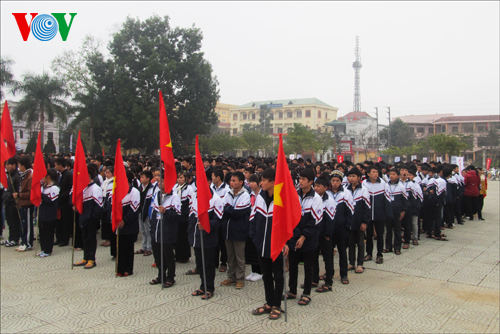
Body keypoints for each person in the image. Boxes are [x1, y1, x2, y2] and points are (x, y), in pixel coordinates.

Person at [249, 168, 287, 320]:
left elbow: (289, 224)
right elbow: (253, 217)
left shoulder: (281, 198)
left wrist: (286, 242)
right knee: (266, 275)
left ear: (273, 182)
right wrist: (254, 237)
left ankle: (277, 304)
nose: (261, 183)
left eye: (264, 180)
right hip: (261, 244)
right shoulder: (260, 197)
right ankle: (269, 303)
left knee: (278, 275)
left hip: (277, 245)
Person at [285, 168, 322, 306]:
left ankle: (306, 293)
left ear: (311, 182)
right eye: (299, 179)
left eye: (303, 179)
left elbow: (315, 221)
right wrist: (294, 236)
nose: (300, 182)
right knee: (293, 265)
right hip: (294, 236)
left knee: (308, 266)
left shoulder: (316, 198)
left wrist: (303, 236)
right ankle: (292, 290)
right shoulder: (295, 194)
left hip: (309, 239)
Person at [188, 189, 224, 300]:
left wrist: (207, 224)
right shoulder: (195, 196)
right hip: (196, 237)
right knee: (200, 264)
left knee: (208, 264)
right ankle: (202, 286)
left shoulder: (216, 199)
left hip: (208, 238)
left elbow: (218, 220)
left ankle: (209, 288)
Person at [220, 171, 251, 290]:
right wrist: (229, 209)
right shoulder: (228, 193)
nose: (231, 183)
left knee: (239, 256)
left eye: (234, 181)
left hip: (239, 229)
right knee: (230, 256)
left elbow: (238, 212)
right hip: (227, 229)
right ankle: (231, 277)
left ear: (241, 182)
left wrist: (229, 209)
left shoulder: (245, 195)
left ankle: (240, 278)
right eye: (231, 180)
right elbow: (223, 208)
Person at [149, 176, 181, 288]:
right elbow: (152, 212)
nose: (159, 183)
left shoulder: (174, 196)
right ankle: (160, 275)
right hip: (156, 231)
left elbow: (177, 215)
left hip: (167, 231)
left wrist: (166, 212)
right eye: (158, 181)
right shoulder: (156, 195)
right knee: (158, 255)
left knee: (168, 255)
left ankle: (170, 277)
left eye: (161, 181)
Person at [73, 166, 104, 268]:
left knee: (91, 239)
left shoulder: (96, 188)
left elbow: (99, 206)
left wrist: (93, 218)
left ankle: (91, 259)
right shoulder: (83, 187)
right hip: (83, 217)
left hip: (91, 218)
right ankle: (85, 257)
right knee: (84, 238)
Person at [362, 166, 393, 264]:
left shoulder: (383, 184)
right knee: (369, 235)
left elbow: (388, 200)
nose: (375, 174)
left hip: (380, 214)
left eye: (377, 172)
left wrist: (388, 214)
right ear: (368, 174)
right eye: (373, 172)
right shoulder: (364, 184)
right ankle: (369, 254)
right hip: (368, 215)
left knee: (380, 235)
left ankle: (379, 254)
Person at [328, 171, 354, 284]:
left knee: (342, 252)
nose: (335, 183)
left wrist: (347, 226)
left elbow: (350, 211)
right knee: (328, 253)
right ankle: (329, 273)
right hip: (329, 229)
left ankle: (344, 274)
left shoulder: (346, 193)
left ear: (341, 181)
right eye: (333, 180)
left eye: (337, 181)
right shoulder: (326, 193)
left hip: (341, 228)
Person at [312, 176, 336, 291]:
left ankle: (328, 282)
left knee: (327, 258)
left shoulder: (329, 200)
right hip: (314, 234)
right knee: (313, 258)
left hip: (324, 235)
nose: (316, 188)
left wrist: (327, 234)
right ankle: (314, 279)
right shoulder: (313, 198)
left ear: (325, 188)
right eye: (315, 186)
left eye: (318, 186)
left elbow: (330, 220)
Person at [115, 170, 141, 277]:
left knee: (128, 248)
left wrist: (124, 220)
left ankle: (128, 269)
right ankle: (119, 268)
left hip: (129, 224)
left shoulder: (134, 192)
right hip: (118, 224)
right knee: (120, 247)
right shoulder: (117, 190)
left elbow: (134, 209)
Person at [346, 168, 370, 274]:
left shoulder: (363, 190)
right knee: (350, 243)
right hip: (350, 221)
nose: (351, 178)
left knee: (360, 243)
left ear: (359, 178)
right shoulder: (345, 190)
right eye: (349, 176)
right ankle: (351, 262)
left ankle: (360, 264)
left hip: (360, 221)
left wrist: (365, 222)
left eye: (353, 176)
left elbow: (367, 207)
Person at [385, 168, 409, 255]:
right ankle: (388, 247)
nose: (391, 176)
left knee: (397, 230)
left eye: (394, 174)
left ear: (398, 176)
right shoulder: (386, 185)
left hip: (397, 211)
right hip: (388, 211)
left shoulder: (401, 186)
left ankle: (397, 248)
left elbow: (405, 200)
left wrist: (403, 211)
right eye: (390, 174)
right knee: (388, 230)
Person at [36, 169, 60, 257]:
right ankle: (43, 249)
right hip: (42, 213)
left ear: (48, 177)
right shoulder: (44, 187)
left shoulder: (54, 188)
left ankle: (48, 250)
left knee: (48, 233)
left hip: (49, 215)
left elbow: (51, 200)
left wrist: (40, 194)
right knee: (42, 233)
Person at [211, 169, 230, 272]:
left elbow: (226, 204)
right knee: (214, 240)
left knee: (223, 242)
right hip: (213, 217)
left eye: (213, 176)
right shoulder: (211, 188)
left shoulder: (226, 189)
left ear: (218, 178)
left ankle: (224, 263)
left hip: (222, 218)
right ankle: (214, 262)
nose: (212, 179)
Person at [13, 156, 34, 252]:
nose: (18, 167)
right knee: (23, 224)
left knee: (27, 225)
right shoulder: (24, 175)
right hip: (22, 203)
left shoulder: (30, 176)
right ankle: (24, 242)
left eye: (19, 165)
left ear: (23, 166)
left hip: (27, 204)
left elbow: (30, 193)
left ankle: (28, 243)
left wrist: (19, 195)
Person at [173, 171, 194, 263]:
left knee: (184, 236)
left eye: (181, 178)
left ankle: (185, 255)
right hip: (176, 215)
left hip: (184, 216)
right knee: (177, 236)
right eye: (178, 178)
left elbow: (190, 202)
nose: (179, 179)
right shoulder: (175, 188)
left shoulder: (189, 189)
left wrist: (185, 213)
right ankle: (178, 255)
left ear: (186, 179)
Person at [245, 174, 263, 282]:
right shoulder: (250, 195)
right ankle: (253, 270)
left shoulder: (262, 195)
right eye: (249, 182)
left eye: (253, 182)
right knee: (251, 248)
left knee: (258, 249)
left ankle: (260, 271)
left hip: (259, 224)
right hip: (250, 224)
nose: (251, 184)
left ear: (259, 183)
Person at [1, 158, 21, 247]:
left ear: (14, 165)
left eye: (8, 164)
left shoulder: (17, 176)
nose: (6, 166)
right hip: (7, 201)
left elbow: (17, 190)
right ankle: (10, 238)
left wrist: (16, 201)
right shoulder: (8, 175)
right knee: (9, 221)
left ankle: (15, 239)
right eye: (6, 165)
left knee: (14, 222)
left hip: (13, 202)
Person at [54, 158, 73, 247]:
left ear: (60, 165)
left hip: (65, 203)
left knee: (65, 222)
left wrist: (63, 195)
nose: (55, 167)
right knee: (59, 222)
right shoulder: (59, 175)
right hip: (59, 202)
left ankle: (65, 240)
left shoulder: (68, 175)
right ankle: (59, 238)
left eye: (56, 165)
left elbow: (70, 188)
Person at [135, 170, 154, 256]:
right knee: (142, 230)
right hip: (140, 211)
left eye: (143, 177)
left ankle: (149, 248)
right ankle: (144, 246)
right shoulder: (140, 187)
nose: (141, 179)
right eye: (140, 177)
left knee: (148, 230)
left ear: (148, 179)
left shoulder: (151, 188)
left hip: (147, 212)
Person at [100, 166, 114, 248]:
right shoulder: (104, 182)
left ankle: (110, 239)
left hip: (109, 202)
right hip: (104, 201)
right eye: (106, 172)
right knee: (104, 221)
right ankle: (106, 238)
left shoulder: (113, 182)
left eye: (109, 172)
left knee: (109, 221)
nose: (107, 174)